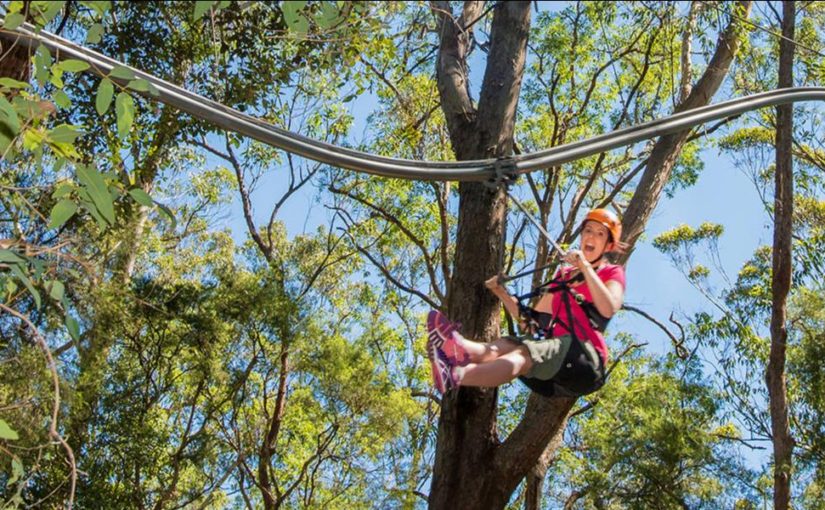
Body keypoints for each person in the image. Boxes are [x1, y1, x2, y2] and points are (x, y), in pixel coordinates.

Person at [426, 209, 627, 398]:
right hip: (555, 362)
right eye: (588, 230)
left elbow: (608, 308)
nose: (591, 237)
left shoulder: (611, 272)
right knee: (505, 345)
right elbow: (532, 324)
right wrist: (501, 292)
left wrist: (584, 266)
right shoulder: (564, 276)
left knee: (524, 353)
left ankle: (456, 375)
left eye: (600, 234)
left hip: (586, 361)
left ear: (608, 246)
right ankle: (459, 349)